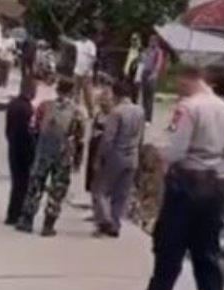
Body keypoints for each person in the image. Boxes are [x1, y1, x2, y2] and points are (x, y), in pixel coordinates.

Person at [123, 66, 224, 290]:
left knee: (168, 246)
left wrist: (159, 154)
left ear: (189, 79)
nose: (177, 88)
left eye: (179, 82)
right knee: (206, 251)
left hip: (185, 184)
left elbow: (176, 149)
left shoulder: (188, 108)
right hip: (211, 183)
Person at [16, 79, 85, 237]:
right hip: (63, 155)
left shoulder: (45, 106)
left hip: (43, 152)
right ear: (72, 92)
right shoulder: (77, 112)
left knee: (35, 185)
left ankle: (27, 220)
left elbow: (33, 129)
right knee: (57, 190)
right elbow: (80, 139)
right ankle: (48, 224)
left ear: (57, 90)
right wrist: (77, 160)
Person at [92, 80, 145, 237]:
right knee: (121, 194)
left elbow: (108, 139)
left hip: (116, 155)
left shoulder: (116, 112)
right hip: (132, 156)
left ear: (116, 94)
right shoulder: (140, 111)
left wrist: (99, 157)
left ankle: (105, 220)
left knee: (100, 190)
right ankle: (116, 224)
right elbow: (141, 136)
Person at [5, 79, 37, 226]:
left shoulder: (12, 105)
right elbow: (30, 133)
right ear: (29, 90)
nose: (36, 93)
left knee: (16, 182)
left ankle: (12, 213)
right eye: (34, 89)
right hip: (24, 150)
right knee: (23, 184)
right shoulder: (27, 109)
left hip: (13, 148)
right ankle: (16, 215)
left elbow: (7, 129)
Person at [85, 87, 113, 193]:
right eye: (102, 101)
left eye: (106, 102)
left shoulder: (114, 116)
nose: (103, 104)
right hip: (95, 144)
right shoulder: (98, 115)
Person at [62, 34, 97, 118]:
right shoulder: (79, 43)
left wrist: (87, 69)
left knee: (87, 94)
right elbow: (71, 42)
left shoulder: (91, 45)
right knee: (75, 91)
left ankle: (91, 113)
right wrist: (64, 38)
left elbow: (93, 59)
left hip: (86, 74)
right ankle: (75, 111)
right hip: (77, 71)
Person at [138, 35, 164, 124]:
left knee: (149, 97)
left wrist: (154, 74)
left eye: (153, 41)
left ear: (156, 42)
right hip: (144, 72)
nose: (151, 42)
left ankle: (148, 118)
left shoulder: (158, 51)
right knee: (144, 96)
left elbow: (158, 63)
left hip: (151, 73)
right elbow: (142, 61)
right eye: (150, 40)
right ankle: (143, 116)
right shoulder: (147, 50)